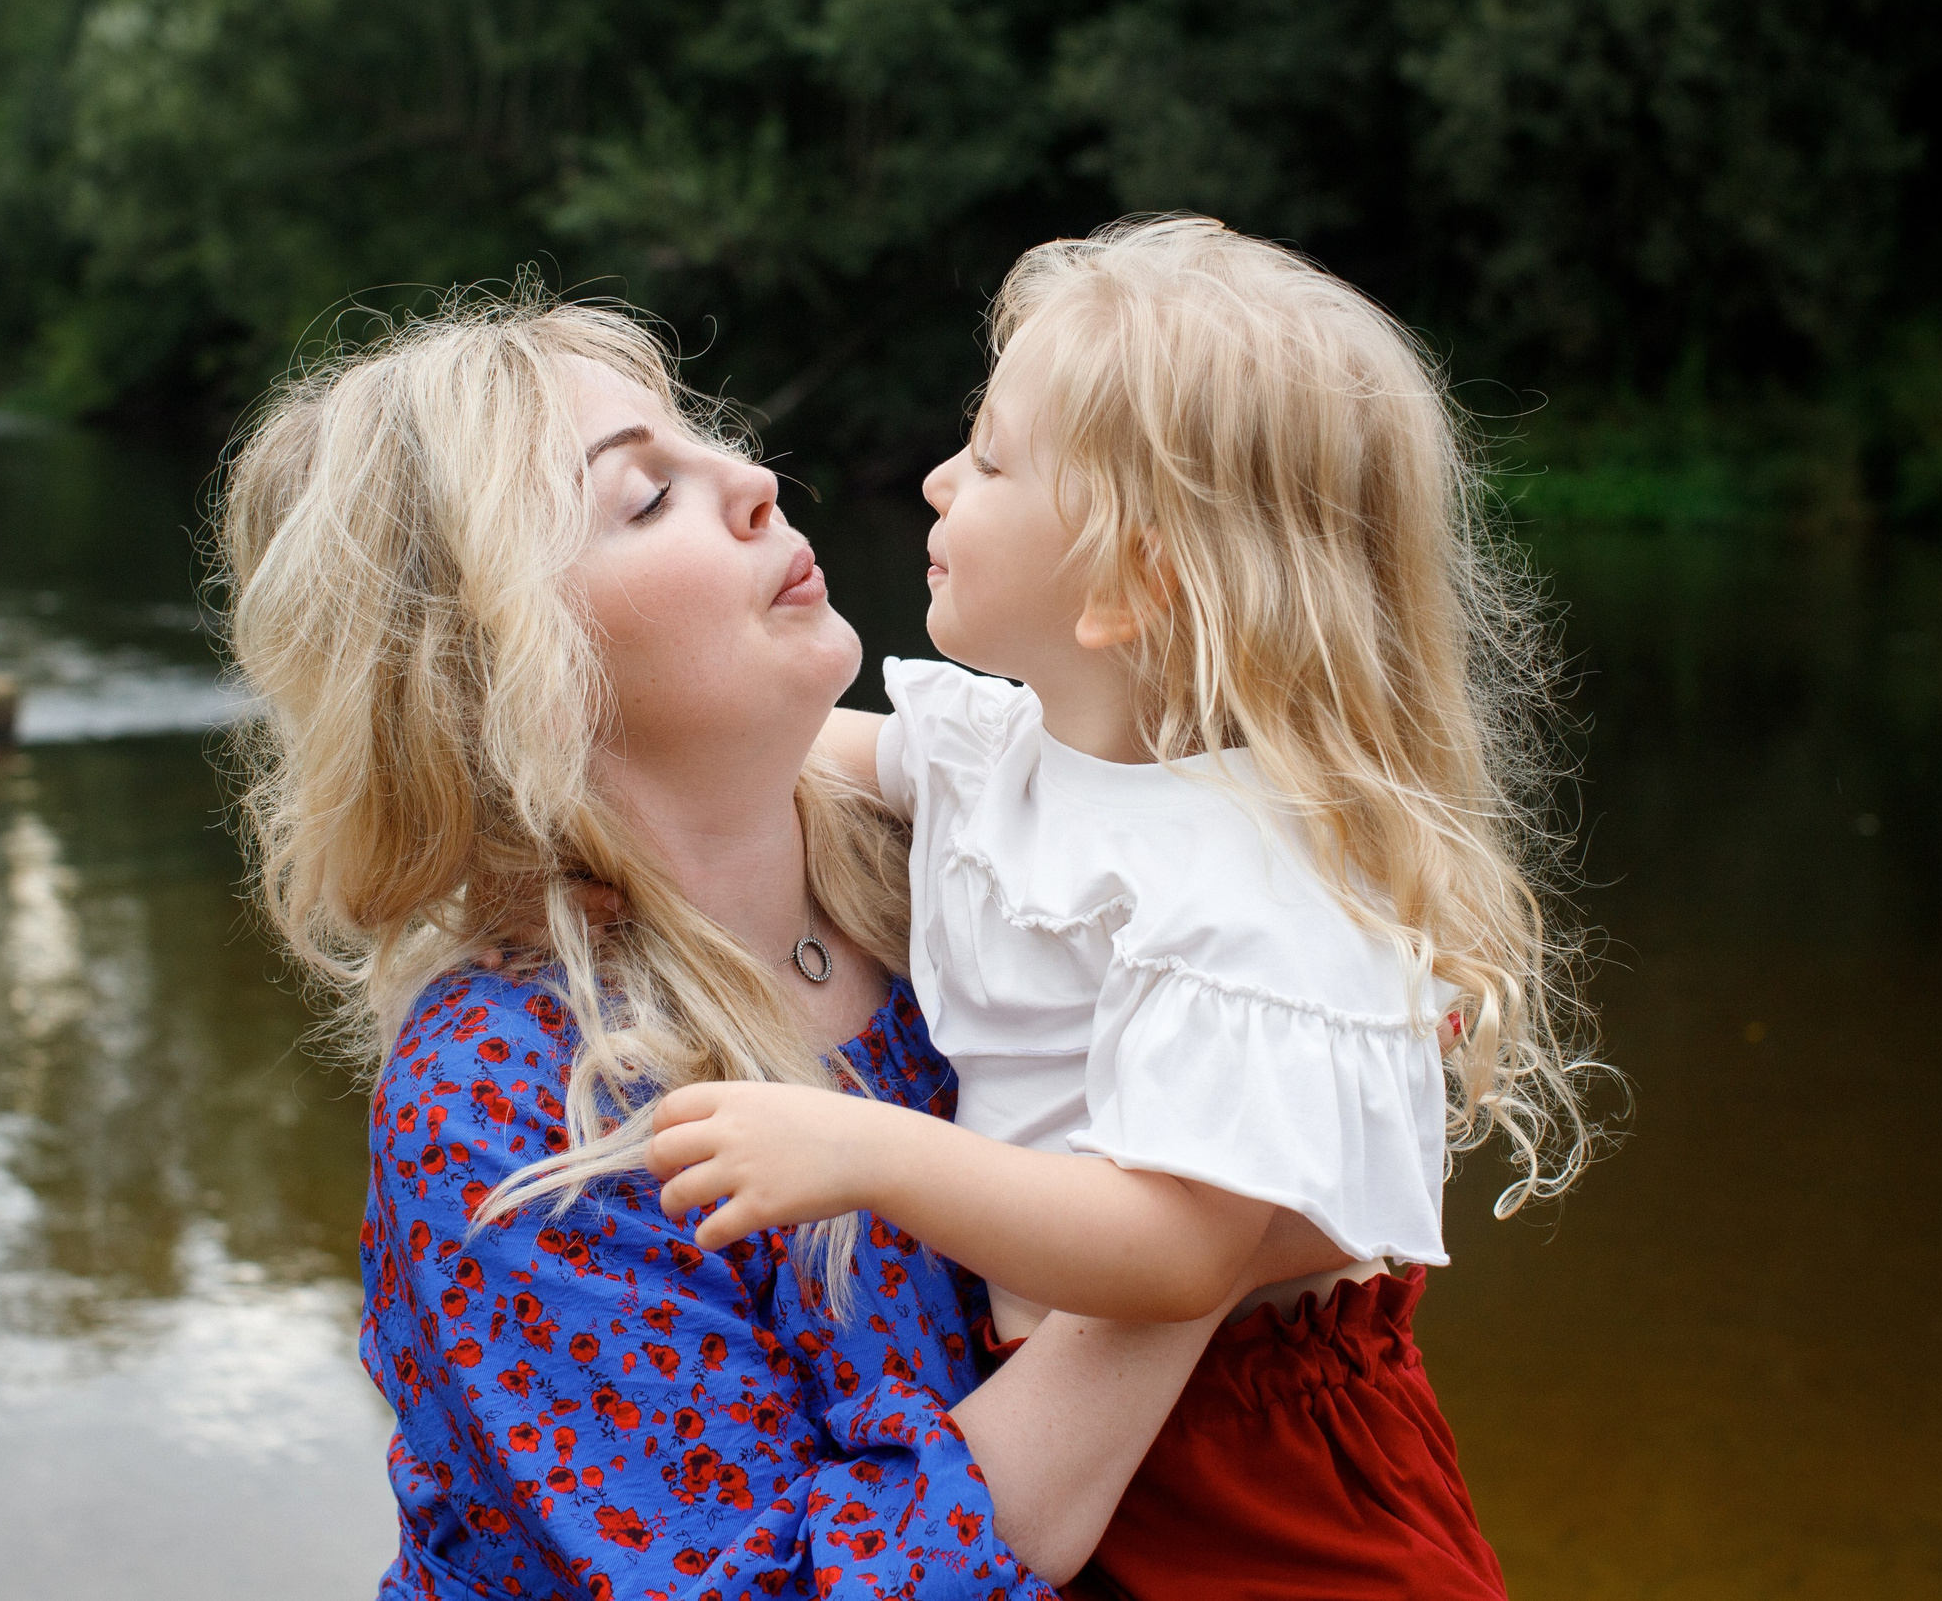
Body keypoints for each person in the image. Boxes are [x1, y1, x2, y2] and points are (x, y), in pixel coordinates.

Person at [215, 294, 1321, 1600]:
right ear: (507, 674)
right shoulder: (508, 1097)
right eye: (643, 498)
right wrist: (1214, 1221)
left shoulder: (958, 874)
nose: (751, 482)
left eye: (706, 443)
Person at [644, 217, 1612, 1599]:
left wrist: (862, 1151)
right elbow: (800, 746)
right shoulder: (1013, 752)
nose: (932, 479)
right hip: (1100, 1417)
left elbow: (1176, 1251)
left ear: (1134, 579)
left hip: (1260, 1477)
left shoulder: (1249, 879)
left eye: (987, 459)